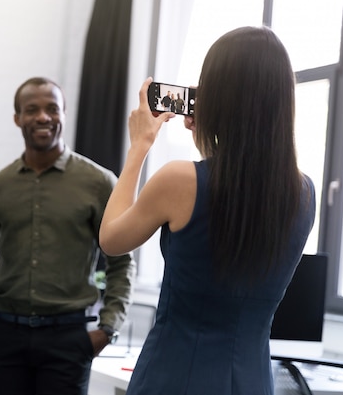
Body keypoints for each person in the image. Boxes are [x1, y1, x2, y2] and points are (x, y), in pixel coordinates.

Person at [99, 26, 316, 395]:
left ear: (218, 98)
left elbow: (111, 239)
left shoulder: (180, 180)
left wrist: (140, 145)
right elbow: (238, 196)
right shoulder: (303, 192)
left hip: (175, 376)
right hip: (252, 380)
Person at [0, 77, 136, 395]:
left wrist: (108, 328)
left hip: (68, 339)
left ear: (64, 113)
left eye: (52, 108)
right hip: (4, 337)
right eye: (32, 109)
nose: (43, 117)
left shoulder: (99, 183)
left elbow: (121, 262)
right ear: (18, 118)